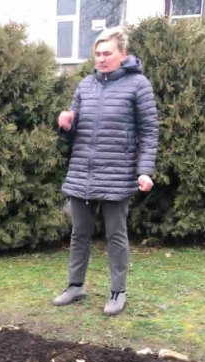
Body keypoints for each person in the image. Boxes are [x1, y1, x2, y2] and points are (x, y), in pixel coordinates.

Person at [53, 27, 158, 316]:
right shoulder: (85, 86)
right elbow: (73, 133)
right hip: (82, 174)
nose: (101, 58)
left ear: (122, 55)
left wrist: (145, 170)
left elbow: (149, 133)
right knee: (79, 233)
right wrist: (65, 125)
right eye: (97, 54)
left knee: (116, 235)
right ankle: (75, 286)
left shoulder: (139, 85)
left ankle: (118, 291)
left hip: (118, 173)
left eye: (107, 53)